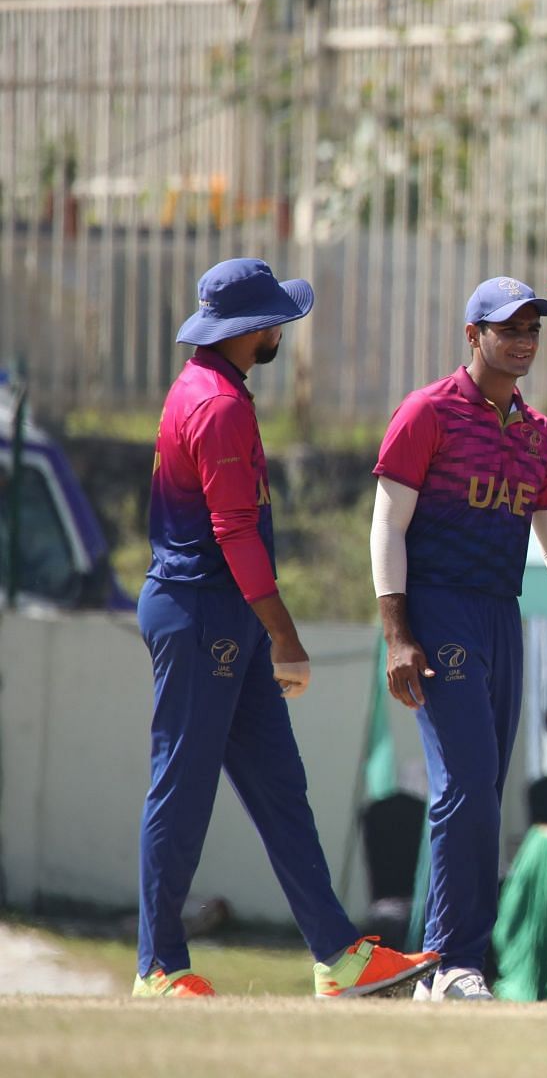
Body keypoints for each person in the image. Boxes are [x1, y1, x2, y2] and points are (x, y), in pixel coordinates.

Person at [136, 257, 438, 999]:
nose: (283, 332)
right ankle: (157, 965)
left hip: (221, 614)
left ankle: (337, 957)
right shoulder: (218, 404)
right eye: (276, 321)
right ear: (254, 331)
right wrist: (284, 632)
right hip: (203, 611)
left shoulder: (215, 390)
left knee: (280, 790)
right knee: (181, 786)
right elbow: (235, 531)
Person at [369, 277, 547, 1001]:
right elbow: (387, 527)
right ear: (474, 335)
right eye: (509, 328)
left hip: (503, 614)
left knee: (487, 795)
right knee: (464, 787)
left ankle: (462, 961)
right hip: (439, 612)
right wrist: (397, 632)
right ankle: (448, 961)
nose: (524, 340)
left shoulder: (536, 433)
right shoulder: (427, 413)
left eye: (533, 328)